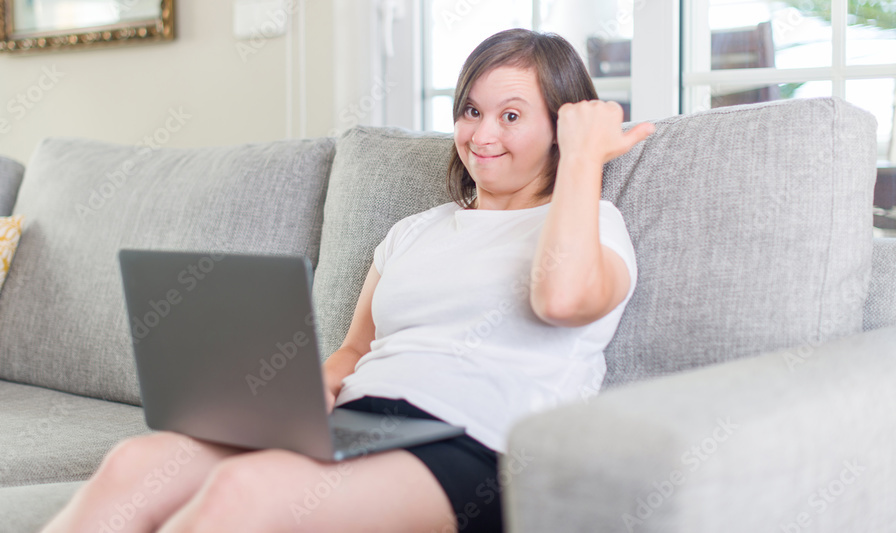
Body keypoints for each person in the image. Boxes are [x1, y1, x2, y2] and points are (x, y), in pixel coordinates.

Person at [41, 28, 653, 533]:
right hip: (358, 424)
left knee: (245, 490)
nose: (482, 135)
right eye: (472, 111)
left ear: (560, 128)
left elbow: (562, 298)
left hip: (479, 447)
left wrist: (582, 161)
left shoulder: (591, 223)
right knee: (137, 463)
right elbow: (354, 353)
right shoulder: (414, 232)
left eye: (512, 115)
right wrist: (291, 402)